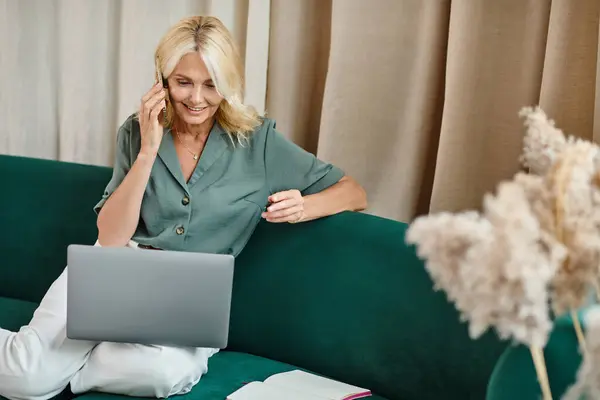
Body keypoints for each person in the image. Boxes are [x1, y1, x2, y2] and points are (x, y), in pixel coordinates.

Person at [0, 15, 367, 400]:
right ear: (162, 80)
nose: (196, 98)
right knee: (24, 381)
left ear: (229, 84)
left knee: (161, 374)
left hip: (187, 301)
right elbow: (110, 237)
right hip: (113, 271)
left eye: (212, 85)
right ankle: (46, 369)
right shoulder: (137, 131)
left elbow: (353, 191)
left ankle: (59, 369)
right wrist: (148, 151)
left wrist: (304, 206)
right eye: (183, 82)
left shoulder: (258, 142)